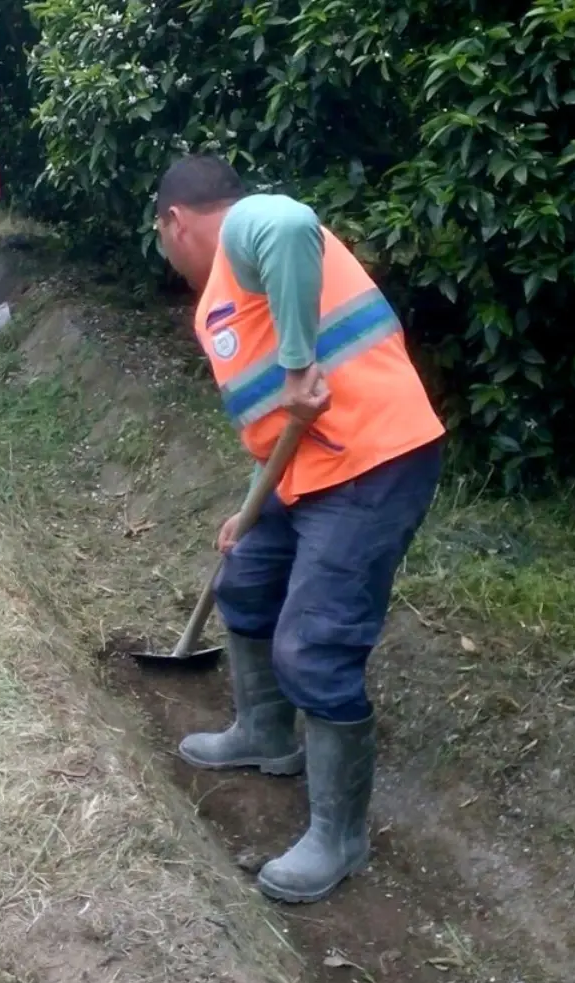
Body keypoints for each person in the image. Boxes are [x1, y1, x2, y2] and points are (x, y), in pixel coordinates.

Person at [153, 155, 445, 905]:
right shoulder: (222, 295)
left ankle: (339, 838)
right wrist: (253, 500)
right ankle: (265, 734)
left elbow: (288, 224)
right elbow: (282, 427)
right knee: (244, 579)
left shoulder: (248, 228)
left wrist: (294, 365)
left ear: (176, 222)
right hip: (306, 470)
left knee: (312, 643)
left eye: (163, 240)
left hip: (372, 462)